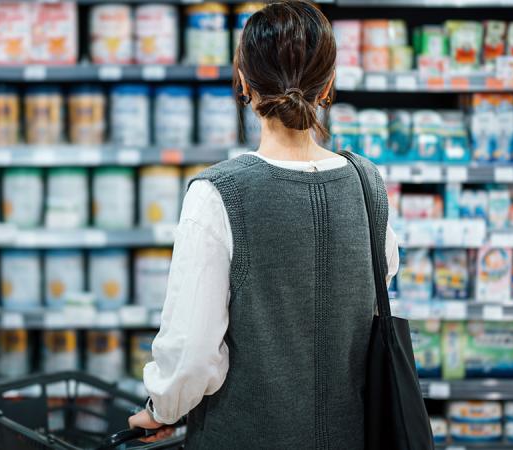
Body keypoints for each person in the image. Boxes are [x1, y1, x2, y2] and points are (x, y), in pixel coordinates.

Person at [127, 1, 400, 448]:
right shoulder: (369, 184)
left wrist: (162, 409)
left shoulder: (218, 193)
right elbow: (374, 294)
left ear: (243, 83)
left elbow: (192, 355)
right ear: (328, 85)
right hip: (352, 435)